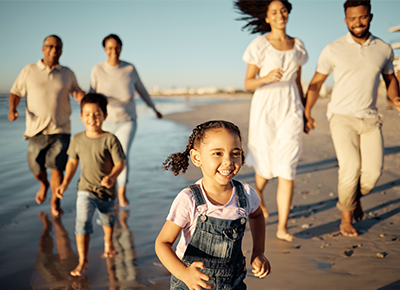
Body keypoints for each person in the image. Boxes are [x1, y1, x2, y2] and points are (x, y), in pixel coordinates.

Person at [304, 0, 400, 237]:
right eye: (352, 18)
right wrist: (307, 112)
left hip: (370, 118)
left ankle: (354, 198)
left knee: (372, 174)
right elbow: (316, 82)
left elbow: (390, 79)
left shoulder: (383, 48)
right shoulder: (333, 48)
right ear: (345, 20)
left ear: (371, 16)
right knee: (350, 168)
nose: (358, 23)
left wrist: (396, 98)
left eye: (363, 17)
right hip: (341, 117)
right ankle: (345, 218)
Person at [155, 120, 270, 290]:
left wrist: (258, 251)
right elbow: (162, 243)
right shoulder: (189, 199)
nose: (228, 162)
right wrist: (183, 273)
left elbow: (257, 215)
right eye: (217, 153)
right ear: (197, 157)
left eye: (235, 153)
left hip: (232, 282)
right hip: (191, 284)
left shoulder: (245, 194)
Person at [235, 0, 308, 241]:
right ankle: (259, 196)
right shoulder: (259, 44)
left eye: (284, 10)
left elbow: (297, 81)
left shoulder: (298, 46)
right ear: (266, 17)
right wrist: (265, 77)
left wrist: (306, 111)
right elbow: (248, 83)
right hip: (265, 107)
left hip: (291, 105)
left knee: (287, 167)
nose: (280, 15)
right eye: (275, 12)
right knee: (265, 164)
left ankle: (282, 227)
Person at [8, 35, 85, 217]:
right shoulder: (29, 70)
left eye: (58, 46)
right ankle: (43, 184)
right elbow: (15, 92)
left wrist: (83, 99)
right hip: (36, 131)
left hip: (61, 129)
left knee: (57, 168)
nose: (54, 49)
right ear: (42, 49)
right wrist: (12, 109)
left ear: (61, 50)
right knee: (36, 167)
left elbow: (77, 91)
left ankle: (55, 202)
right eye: (50, 46)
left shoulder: (67, 73)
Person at [56, 93, 126, 276]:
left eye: (96, 114)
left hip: (107, 192)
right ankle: (83, 260)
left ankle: (108, 243)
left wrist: (112, 177)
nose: (92, 118)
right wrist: (64, 184)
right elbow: (72, 163)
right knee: (82, 223)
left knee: (108, 221)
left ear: (105, 116)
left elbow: (120, 164)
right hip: (85, 190)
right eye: (87, 114)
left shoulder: (110, 139)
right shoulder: (77, 139)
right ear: (81, 117)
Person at [89, 34, 163, 208]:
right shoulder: (97, 69)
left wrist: (154, 108)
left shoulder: (129, 68)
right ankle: (109, 189)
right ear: (104, 50)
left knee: (121, 155)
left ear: (121, 48)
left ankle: (121, 191)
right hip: (104, 122)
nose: (113, 51)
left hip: (127, 121)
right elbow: (91, 95)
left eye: (117, 47)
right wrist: (88, 117)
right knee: (106, 157)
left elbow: (142, 91)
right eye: (109, 48)